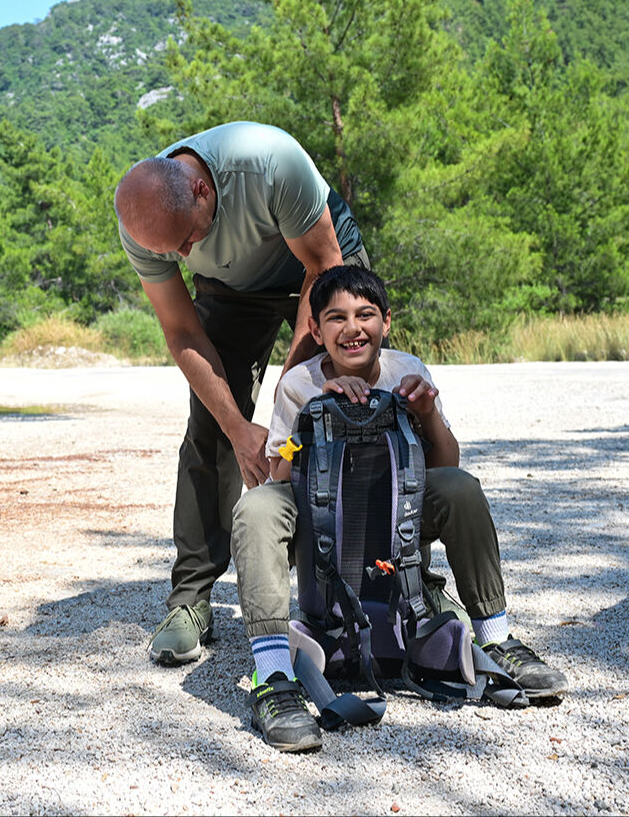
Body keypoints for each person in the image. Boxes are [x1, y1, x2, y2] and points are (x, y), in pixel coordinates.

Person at [231, 264, 569, 752]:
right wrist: (312, 418)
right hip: (322, 519)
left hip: (394, 513)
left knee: (461, 486)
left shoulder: (407, 370)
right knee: (257, 508)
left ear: (386, 322)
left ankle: (496, 638)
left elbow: (446, 468)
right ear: (315, 329)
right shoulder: (298, 384)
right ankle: (273, 678)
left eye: (365, 315)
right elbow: (280, 475)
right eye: (337, 318)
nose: (353, 329)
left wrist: (426, 411)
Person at [113, 121, 369, 665]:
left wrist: (290, 398)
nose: (181, 255)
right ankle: (190, 602)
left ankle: (390, 578)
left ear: (202, 190)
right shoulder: (146, 224)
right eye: (170, 251)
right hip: (233, 288)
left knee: (349, 410)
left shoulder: (269, 161)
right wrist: (238, 427)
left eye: (187, 240)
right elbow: (182, 332)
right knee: (210, 428)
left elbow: (324, 268)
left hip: (316, 259)